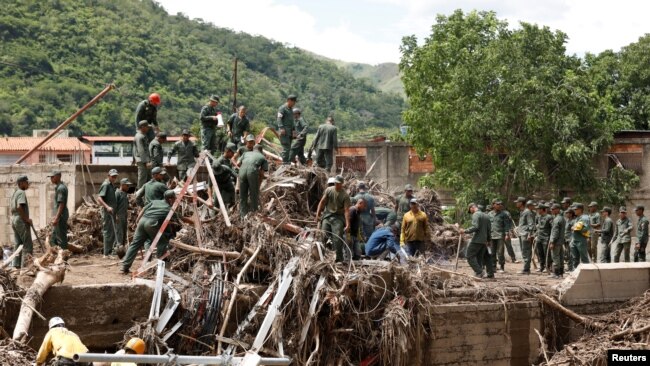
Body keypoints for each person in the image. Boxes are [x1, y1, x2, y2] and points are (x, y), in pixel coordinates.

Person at [122, 190, 193, 274]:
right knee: (162, 242)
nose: (175, 201)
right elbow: (182, 218)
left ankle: (124, 267)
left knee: (135, 244)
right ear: (170, 199)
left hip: (142, 221)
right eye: (174, 199)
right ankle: (159, 266)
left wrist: (137, 221)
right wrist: (194, 222)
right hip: (151, 224)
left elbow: (144, 209)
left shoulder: (155, 202)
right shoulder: (169, 209)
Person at [315, 176, 351, 262]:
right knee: (323, 235)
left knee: (337, 238)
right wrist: (318, 214)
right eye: (335, 183)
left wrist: (347, 224)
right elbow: (322, 202)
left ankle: (338, 259)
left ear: (342, 184)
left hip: (338, 218)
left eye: (338, 183)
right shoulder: (329, 190)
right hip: (327, 216)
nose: (336, 185)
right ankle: (322, 257)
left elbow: (346, 211)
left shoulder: (345, 195)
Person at [461, 203, 493, 278]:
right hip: (484, 241)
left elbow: (475, 227)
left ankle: (479, 271)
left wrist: (465, 231)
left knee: (469, 256)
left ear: (472, 208)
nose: (471, 212)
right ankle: (479, 273)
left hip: (477, 240)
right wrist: (488, 240)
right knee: (479, 257)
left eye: (470, 210)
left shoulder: (476, 214)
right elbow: (489, 229)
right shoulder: (486, 215)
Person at [238, 144, 269, 217]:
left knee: (242, 195)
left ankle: (242, 215)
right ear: (261, 151)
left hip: (242, 171)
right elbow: (261, 173)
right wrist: (259, 185)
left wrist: (244, 168)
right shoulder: (263, 157)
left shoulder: (245, 153)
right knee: (254, 194)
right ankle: (254, 214)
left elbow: (237, 163)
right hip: (252, 171)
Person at [10, 175, 33, 269]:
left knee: (18, 243)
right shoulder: (21, 193)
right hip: (20, 220)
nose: (28, 184)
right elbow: (19, 207)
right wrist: (26, 219)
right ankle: (26, 267)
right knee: (27, 244)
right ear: (22, 183)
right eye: (26, 182)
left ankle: (16, 265)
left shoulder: (15, 193)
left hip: (15, 219)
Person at [97, 169, 119, 256]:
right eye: (112, 176)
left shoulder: (111, 185)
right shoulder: (106, 185)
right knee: (107, 232)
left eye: (115, 177)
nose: (114, 178)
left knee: (112, 231)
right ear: (108, 176)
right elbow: (99, 198)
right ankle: (106, 253)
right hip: (107, 212)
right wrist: (107, 207)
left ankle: (110, 251)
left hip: (112, 212)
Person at [210, 143, 238, 208]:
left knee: (232, 201)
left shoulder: (228, 160)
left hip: (227, 182)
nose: (233, 155)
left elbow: (233, 174)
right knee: (216, 204)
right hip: (219, 184)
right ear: (228, 151)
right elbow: (211, 183)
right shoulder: (219, 162)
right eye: (232, 153)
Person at [488, 199, 511, 273]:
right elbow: (487, 226)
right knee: (492, 252)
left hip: (500, 235)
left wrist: (507, 234)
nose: (499, 205)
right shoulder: (489, 214)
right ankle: (493, 267)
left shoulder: (504, 214)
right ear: (493, 205)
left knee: (500, 252)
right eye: (497, 204)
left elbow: (506, 225)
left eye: (500, 204)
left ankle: (501, 266)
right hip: (492, 235)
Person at [48, 171, 69, 250]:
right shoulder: (59, 187)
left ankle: (63, 257)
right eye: (50, 177)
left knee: (61, 239)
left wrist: (56, 218)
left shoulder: (61, 188)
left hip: (60, 216)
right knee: (53, 239)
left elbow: (61, 204)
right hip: (58, 216)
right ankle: (56, 256)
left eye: (53, 177)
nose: (51, 178)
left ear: (58, 176)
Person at [514, 197, 535, 274]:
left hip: (525, 235)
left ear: (521, 203)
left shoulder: (527, 212)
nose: (516, 203)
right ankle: (526, 268)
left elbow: (531, 224)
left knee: (526, 251)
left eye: (517, 202)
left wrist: (529, 234)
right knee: (524, 251)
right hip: (521, 233)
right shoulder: (522, 212)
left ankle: (526, 269)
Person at [276, 95, 297, 164]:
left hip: (290, 132)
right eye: (293, 102)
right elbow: (279, 118)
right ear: (289, 101)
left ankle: (287, 162)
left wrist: (293, 130)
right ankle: (285, 163)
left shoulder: (291, 109)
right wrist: (281, 128)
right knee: (286, 148)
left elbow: (292, 121)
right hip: (284, 132)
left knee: (288, 148)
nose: (294, 104)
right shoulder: (282, 108)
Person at [570, 203, 591, 269]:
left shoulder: (585, 218)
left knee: (584, 259)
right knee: (575, 259)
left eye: (576, 209)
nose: (574, 211)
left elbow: (585, 229)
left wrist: (576, 228)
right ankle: (575, 273)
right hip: (574, 240)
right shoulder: (577, 218)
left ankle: (587, 274)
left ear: (580, 209)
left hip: (581, 240)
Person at [549, 204, 566, 279]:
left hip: (556, 242)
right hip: (560, 241)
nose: (551, 210)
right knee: (560, 257)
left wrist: (552, 242)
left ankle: (556, 274)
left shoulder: (557, 219)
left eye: (553, 209)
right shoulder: (562, 218)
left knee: (555, 257)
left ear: (557, 209)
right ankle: (561, 273)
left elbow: (555, 232)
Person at [535, 203, 553, 273]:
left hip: (546, 237)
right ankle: (541, 266)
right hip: (539, 237)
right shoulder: (538, 217)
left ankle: (548, 266)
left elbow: (552, 228)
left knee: (547, 253)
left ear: (543, 209)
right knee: (540, 253)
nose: (538, 210)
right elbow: (537, 227)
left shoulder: (549, 217)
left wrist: (551, 238)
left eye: (539, 209)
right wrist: (536, 234)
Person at [133, 120, 151, 189]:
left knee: (146, 178)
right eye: (146, 127)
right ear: (142, 127)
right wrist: (146, 162)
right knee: (142, 179)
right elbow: (141, 150)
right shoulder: (139, 136)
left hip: (142, 160)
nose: (148, 129)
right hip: (142, 161)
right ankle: (139, 196)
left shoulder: (141, 135)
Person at [115, 178, 132, 249]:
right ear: (122, 185)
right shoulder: (117, 193)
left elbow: (126, 205)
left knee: (124, 233)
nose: (128, 187)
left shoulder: (124, 194)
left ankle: (122, 249)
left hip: (124, 215)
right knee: (119, 233)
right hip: (118, 216)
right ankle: (117, 249)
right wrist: (115, 216)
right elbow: (114, 205)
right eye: (127, 185)